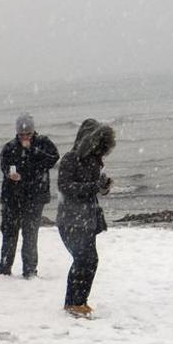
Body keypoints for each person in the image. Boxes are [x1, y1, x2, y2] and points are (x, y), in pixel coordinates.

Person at [56, 119, 116, 318]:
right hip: (71, 219)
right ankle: (74, 303)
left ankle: (76, 302)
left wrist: (104, 187)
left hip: (88, 218)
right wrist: (94, 187)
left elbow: (94, 189)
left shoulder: (94, 160)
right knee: (84, 259)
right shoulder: (70, 159)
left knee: (88, 260)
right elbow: (65, 187)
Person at [0, 113, 60, 277]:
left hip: (35, 196)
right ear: (17, 133)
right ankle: (4, 269)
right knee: (9, 233)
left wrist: (32, 150)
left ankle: (30, 270)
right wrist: (9, 174)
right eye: (21, 134)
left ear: (33, 132)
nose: (25, 137)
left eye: (28, 134)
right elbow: (4, 164)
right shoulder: (9, 147)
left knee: (30, 235)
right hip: (12, 196)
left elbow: (53, 159)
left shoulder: (43, 143)